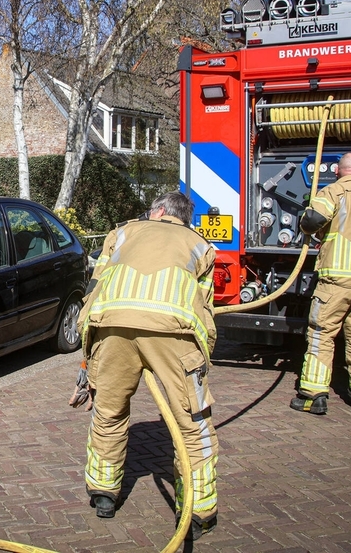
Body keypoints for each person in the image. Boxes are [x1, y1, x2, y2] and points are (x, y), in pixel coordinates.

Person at [75, 191, 220, 540]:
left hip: (111, 325)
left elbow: (94, 286)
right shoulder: (201, 245)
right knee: (192, 421)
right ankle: (199, 511)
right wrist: (203, 358)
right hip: (175, 331)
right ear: (184, 218)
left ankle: (104, 494)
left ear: (156, 211)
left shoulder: (122, 233)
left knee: (108, 411)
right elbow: (206, 308)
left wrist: (87, 352)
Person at [291, 152, 351, 415]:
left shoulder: (333, 192)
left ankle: (314, 395)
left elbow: (312, 221)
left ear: (337, 171)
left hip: (336, 283)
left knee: (321, 336)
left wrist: (307, 225)